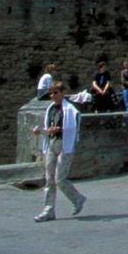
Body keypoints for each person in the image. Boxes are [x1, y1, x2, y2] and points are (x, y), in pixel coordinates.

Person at [31, 82, 86, 222]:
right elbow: (48, 127)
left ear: (63, 92)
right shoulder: (51, 109)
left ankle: (77, 198)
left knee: (60, 179)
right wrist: (41, 131)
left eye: (55, 92)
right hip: (51, 143)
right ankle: (48, 210)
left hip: (64, 144)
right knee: (49, 179)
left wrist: (60, 130)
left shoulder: (70, 109)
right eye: (51, 93)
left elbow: (74, 127)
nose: (53, 96)